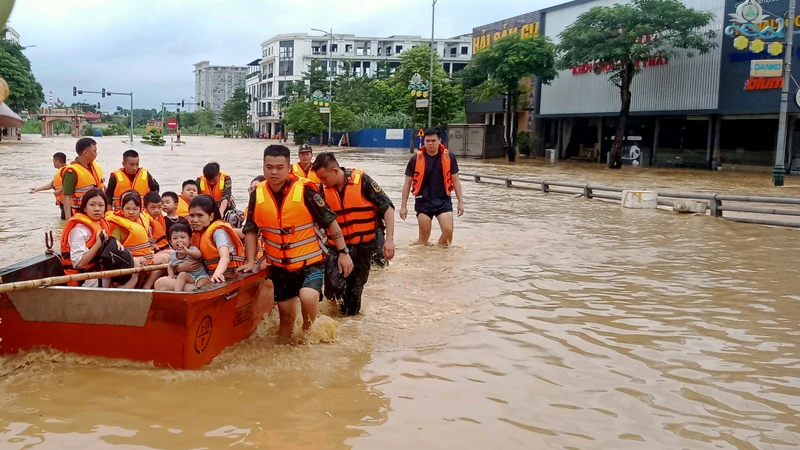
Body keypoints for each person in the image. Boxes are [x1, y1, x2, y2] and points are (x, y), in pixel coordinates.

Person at [239, 145, 354, 340]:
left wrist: (343, 252)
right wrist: (250, 261)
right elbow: (251, 229)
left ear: (289, 168)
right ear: (263, 167)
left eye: (279, 167)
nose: (274, 172)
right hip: (280, 266)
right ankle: (285, 347)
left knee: (308, 297)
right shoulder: (256, 194)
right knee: (286, 317)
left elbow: (331, 222)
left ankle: (309, 332)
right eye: (269, 167)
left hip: (310, 262)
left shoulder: (306, 190)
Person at [312, 152, 395, 315]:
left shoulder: (363, 181)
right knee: (333, 287)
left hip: (363, 246)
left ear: (335, 171)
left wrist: (389, 240)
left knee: (354, 293)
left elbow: (388, 208)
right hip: (335, 246)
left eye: (323, 178)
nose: (322, 182)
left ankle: (349, 326)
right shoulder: (323, 190)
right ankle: (332, 319)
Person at [59, 189, 138, 288]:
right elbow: (79, 264)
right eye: (92, 205)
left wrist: (113, 241)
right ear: (84, 208)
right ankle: (114, 297)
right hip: (82, 280)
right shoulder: (78, 230)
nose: (97, 209)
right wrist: (97, 244)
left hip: (97, 271)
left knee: (134, 263)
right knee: (133, 268)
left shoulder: (100, 223)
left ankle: (116, 293)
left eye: (101, 205)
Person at [400, 128, 465, 246]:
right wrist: (403, 206)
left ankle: (438, 256)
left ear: (440, 140)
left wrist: (461, 202)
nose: (430, 143)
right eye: (428, 140)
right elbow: (407, 183)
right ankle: (424, 258)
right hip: (423, 201)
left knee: (448, 231)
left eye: (433, 140)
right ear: (424, 141)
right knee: (424, 239)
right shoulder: (415, 159)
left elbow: (455, 180)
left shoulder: (449, 157)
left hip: (443, 200)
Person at [106, 190, 169, 289]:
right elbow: (114, 251)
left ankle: (145, 286)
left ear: (140, 210)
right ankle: (138, 288)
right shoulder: (119, 228)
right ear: (122, 210)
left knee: (167, 257)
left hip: (145, 257)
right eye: (127, 209)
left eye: (135, 209)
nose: (131, 212)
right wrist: (135, 259)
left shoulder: (142, 222)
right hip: (130, 260)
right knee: (146, 262)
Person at [187, 194, 245, 283]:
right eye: (192, 215)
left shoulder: (218, 232)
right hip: (206, 274)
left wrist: (217, 274)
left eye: (200, 215)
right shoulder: (198, 233)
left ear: (211, 216)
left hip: (227, 275)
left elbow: (225, 257)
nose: (194, 220)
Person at [155, 223, 210, 292]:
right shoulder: (173, 255)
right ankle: (177, 292)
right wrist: (171, 275)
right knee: (182, 274)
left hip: (200, 276)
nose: (179, 240)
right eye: (175, 238)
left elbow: (198, 255)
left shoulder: (192, 249)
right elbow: (171, 266)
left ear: (190, 240)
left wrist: (188, 252)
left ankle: (197, 291)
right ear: (171, 242)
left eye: (183, 237)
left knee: (203, 282)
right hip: (187, 277)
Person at [61, 138, 105, 221]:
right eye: (94, 151)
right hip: (81, 215)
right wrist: (68, 219)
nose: (96, 154)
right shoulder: (72, 172)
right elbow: (67, 197)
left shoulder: (94, 167)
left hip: (97, 213)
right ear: (86, 153)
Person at [29, 152, 69, 219]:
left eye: (53, 161)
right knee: (63, 222)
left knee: (66, 222)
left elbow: (69, 184)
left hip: (67, 202)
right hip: (63, 202)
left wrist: (59, 192)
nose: (53, 163)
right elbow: (52, 184)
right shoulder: (61, 171)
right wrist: (37, 189)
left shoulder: (66, 170)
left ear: (57, 161)